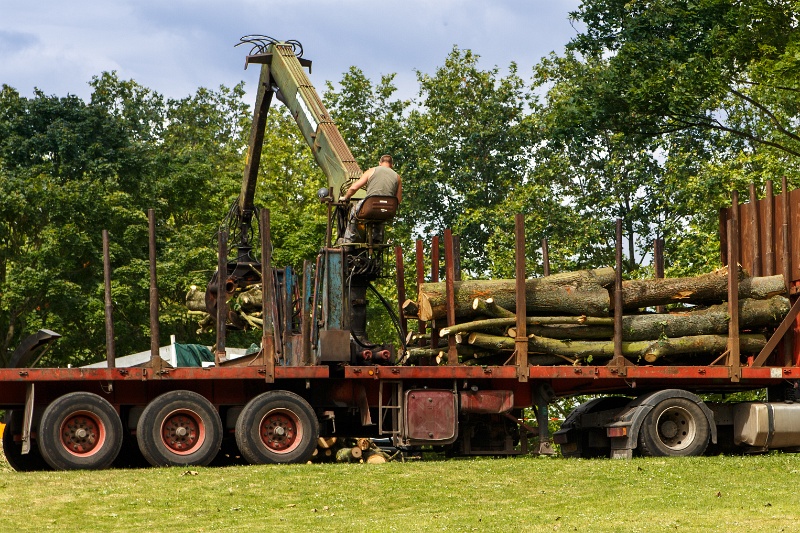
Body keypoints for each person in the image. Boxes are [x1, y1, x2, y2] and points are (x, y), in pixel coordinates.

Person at [341, 155, 402, 244]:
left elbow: (354, 188)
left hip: (370, 207)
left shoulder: (371, 171)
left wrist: (346, 197)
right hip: (388, 211)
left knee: (353, 211)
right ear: (392, 165)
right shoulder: (397, 177)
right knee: (381, 213)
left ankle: (348, 240)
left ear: (379, 163)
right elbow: (398, 200)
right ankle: (377, 239)